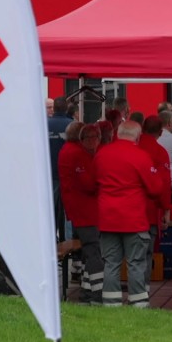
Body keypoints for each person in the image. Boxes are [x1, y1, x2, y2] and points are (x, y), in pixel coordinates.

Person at [95, 121, 165, 308]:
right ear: (138, 136)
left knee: (111, 263)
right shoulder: (141, 156)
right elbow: (155, 188)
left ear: (118, 133)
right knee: (135, 263)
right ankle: (138, 306)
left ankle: (110, 305)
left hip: (108, 218)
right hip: (133, 219)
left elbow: (94, 183)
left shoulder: (102, 154)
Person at [59, 122, 103, 304]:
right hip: (86, 212)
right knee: (95, 252)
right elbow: (89, 184)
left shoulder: (66, 150)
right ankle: (97, 294)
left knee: (88, 252)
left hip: (77, 210)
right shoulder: (77, 154)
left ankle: (87, 291)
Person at [139, 116, 172, 287]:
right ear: (160, 132)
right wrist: (166, 210)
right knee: (145, 253)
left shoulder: (133, 147)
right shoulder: (160, 152)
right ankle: (141, 292)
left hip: (127, 211)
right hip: (150, 212)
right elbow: (164, 185)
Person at [48, 96, 74, 240]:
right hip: (67, 175)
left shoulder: (44, 124)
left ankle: (51, 240)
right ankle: (68, 241)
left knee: (50, 210)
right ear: (65, 108)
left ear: (54, 108)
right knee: (68, 211)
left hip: (49, 174)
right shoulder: (72, 125)